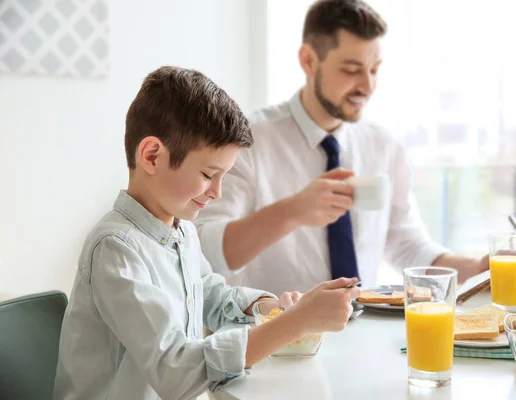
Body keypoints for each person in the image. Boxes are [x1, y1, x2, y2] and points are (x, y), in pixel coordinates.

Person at [53, 66, 360, 400]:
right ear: (152, 156)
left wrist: (274, 308)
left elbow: (214, 297)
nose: (218, 192)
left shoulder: (182, 231)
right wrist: (295, 323)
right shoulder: (116, 250)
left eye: (224, 176)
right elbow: (175, 372)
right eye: (208, 174)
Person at [194, 0, 488, 296]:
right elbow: (205, 249)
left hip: (364, 331)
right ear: (309, 61)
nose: (367, 85)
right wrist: (292, 211)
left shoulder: (383, 145)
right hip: (281, 336)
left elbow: (405, 242)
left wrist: (474, 268)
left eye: (374, 69)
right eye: (352, 69)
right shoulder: (248, 141)